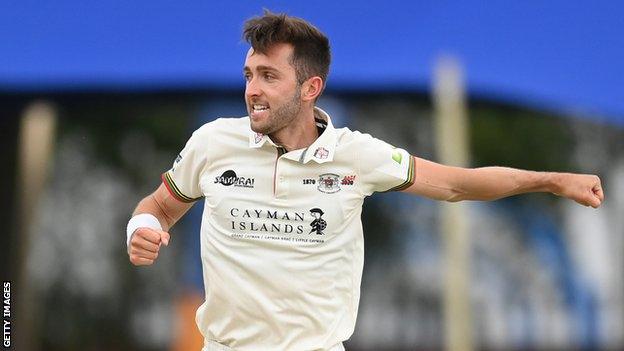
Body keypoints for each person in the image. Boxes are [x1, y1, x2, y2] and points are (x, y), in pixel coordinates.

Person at [126, 11, 604, 351]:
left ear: (310, 88)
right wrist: (141, 228)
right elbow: (160, 206)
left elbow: (459, 184)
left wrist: (554, 180)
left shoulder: (357, 156)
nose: (252, 89)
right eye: (250, 74)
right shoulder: (213, 142)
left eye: (269, 76)